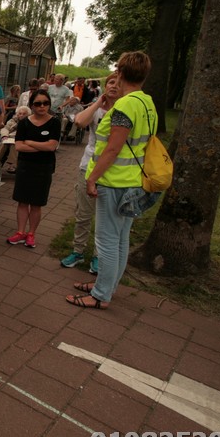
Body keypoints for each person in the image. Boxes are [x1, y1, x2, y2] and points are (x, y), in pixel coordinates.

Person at [67, 52, 158, 309]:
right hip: (133, 180)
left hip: (114, 181)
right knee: (120, 239)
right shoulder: (147, 102)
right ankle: (108, 286)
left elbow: (113, 148)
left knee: (106, 240)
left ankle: (100, 295)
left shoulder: (125, 105)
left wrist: (92, 178)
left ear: (120, 73)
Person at [60, 74, 119, 272]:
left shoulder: (125, 110)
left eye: (118, 83)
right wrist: (98, 103)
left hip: (113, 171)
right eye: (111, 82)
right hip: (89, 165)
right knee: (83, 214)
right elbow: (79, 122)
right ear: (105, 86)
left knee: (105, 218)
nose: (114, 86)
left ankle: (98, 255)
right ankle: (78, 251)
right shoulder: (96, 109)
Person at [6, 89, 61, 248]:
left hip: (43, 167)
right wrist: (42, 146)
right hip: (25, 166)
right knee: (22, 201)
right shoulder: (24, 123)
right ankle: (20, 232)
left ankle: (31, 234)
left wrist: (29, 142)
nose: (42, 106)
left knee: (36, 203)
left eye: (45, 103)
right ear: (32, 105)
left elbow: (52, 146)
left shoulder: (55, 122)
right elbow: (19, 146)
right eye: (38, 103)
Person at [0, 105, 30, 173]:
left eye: (24, 114)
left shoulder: (29, 122)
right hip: (9, 138)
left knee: (14, 145)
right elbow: (5, 128)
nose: (21, 115)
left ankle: (12, 164)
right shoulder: (12, 120)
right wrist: (4, 136)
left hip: (20, 140)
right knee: (4, 143)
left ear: (28, 115)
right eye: (20, 113)